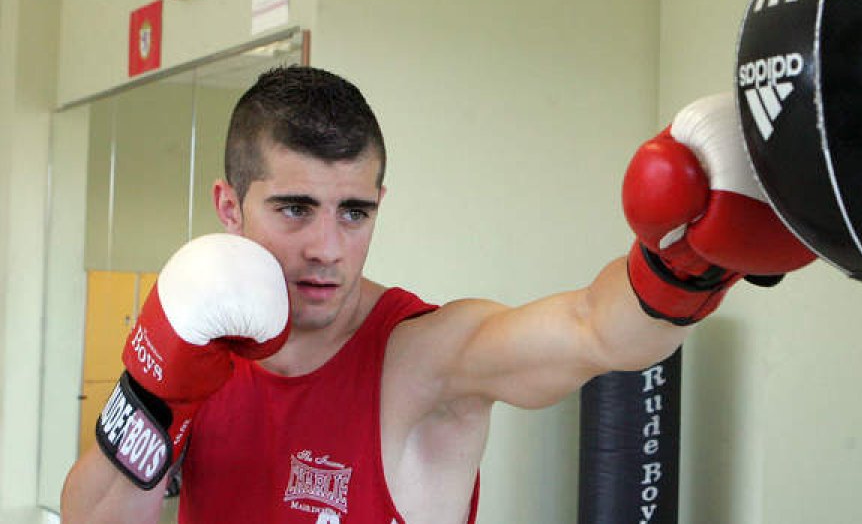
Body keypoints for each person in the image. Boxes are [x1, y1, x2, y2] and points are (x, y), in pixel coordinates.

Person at [60, 66, 815, 523]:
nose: (328, 245)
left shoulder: (423, 357)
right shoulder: (196, 339)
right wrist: (151, 392)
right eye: (295, 207)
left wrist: (685, 260)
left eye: (355, 211)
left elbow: (595, 329)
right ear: (230, 207)